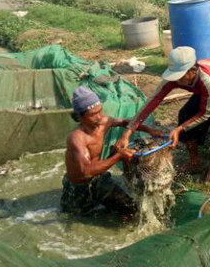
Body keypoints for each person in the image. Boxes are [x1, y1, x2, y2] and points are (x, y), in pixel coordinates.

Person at [116, 46, 210, 183]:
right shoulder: (175, 78)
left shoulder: (207, 81)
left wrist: (179, 129)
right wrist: (127, 132)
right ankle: (194, 162)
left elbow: (206, 113)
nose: (176, 80)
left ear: (192, 71)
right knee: (185, 114)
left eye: (179, 76)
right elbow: (152, 101)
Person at [62, 86, 162, 216]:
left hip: (99, 178)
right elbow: (86, 171)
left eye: (100, 111)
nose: (99, 117)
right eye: (93, 114)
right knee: (76, 217)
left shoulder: (104, 121)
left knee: (131, 210)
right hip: (79, 187)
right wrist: (119, 155)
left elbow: (125, 122)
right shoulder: (77, 138)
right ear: (80, 117)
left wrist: (148, 129)